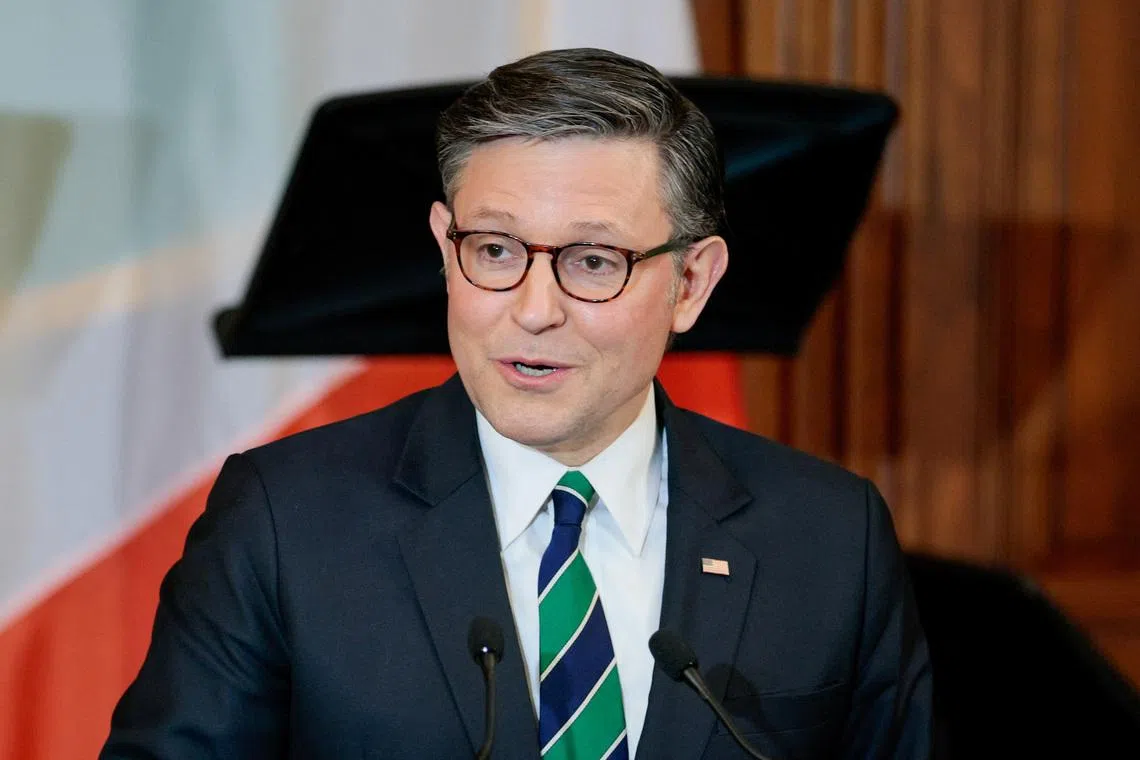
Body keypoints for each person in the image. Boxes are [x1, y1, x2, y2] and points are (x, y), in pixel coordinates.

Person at [102, 48, 932, 759]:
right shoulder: (285, 522)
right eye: (494, 250)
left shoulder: (829, 537)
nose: (533, 309)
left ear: (691, 282)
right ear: (443, 246)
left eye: (593, 260)